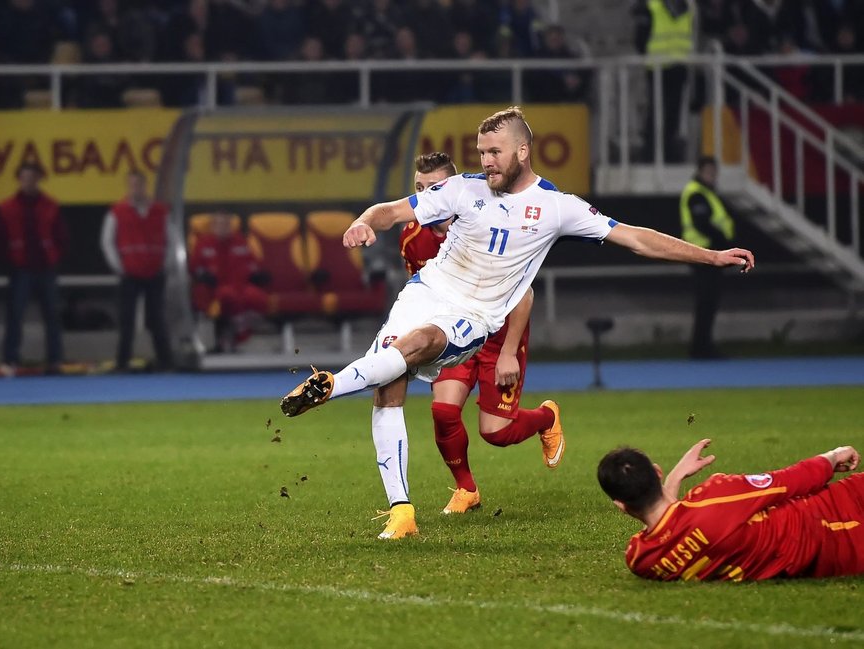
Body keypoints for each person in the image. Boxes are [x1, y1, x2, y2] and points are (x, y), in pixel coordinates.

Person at [280, 105, 755, 540]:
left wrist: (710, 256)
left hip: (473, 316)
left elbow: (635, 238)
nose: (486, 160)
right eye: (481, 151)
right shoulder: (461, 188)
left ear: (523, 151)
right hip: (423, 293)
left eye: (495, 151)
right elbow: (392, 210)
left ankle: (332, 384)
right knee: (388, 381)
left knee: (418, 347)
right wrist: (364, 220)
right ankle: (401, 511)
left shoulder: (557, 207)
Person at [400, 152, 557, 516]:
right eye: (419, 189)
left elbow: (525, 293)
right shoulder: (412, 237)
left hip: (501, 335)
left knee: (497, 433)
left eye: (435, 188)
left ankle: (546, 418)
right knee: (442, 410)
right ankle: (466, 488)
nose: (426, 197)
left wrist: (507, 354)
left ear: (453, 189)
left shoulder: (489, 222)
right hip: (456, 336)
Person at [597, 438, 864, 581]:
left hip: (832, 560)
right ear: (657, 472)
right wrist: (832, 457)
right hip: (834, 517)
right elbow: (788, 481)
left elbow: (670, 528)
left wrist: (674, 480)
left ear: (620, 505)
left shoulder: (641, 559)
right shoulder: (714, 497)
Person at [0, 162, 67, 376]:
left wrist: (55, 257)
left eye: (33, 177)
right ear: (19, 179)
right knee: (15, 316)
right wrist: (11, 261)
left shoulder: (51, 206)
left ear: (38, 179)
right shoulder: (6, 207)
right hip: (20, 269)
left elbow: (62, 236)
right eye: (25, 177)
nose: (29, 181)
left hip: (45, 268)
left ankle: (55, 360)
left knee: (53, 316)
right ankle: (10, 360)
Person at [99, 170, 171, 372]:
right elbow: (107, 241)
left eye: (139, 184)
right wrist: (118, 267)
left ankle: (166, 361)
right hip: (129, 274)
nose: (136, 188)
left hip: (155, 273)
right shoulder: (117, 211)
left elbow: (170, 240)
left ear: (145, 185)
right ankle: (122, 363)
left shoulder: (160, 211)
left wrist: (164, 265)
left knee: (156, 319)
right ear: (127, 186)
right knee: (126, 321)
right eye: (132, 184)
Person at [188, 212, 269, 353]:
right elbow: (195, 267)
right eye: (219, 224)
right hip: (215, 289)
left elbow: (252, 263)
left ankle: (238, 332)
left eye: (226, 225)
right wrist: (203, 275)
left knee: (258, 298)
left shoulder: (240, 242)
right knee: (229, 297)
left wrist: (257, 274)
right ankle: (230, 335)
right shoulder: (204, 244)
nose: (223, 228)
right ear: (213, 226)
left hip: (242, 286)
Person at [679, 156, 734, 359]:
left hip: (706, 254)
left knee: (708, 303)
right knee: (706, 303)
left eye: (714, 172)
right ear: (701, 171)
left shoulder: (704, 192)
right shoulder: (696, 193)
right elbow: (703, 224)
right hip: (704, 254)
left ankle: (702, 346)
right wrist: (724, 247)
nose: (712, 176)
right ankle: (701, 348)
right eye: (709, 172)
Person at [633, 0, 694, 163]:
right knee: (658, 112)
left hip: (675, 66)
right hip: (660, 67)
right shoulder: (653, 6)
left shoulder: (685, 6)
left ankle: (666, 153)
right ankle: (652, 154)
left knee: (671, 113)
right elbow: (640, 39)